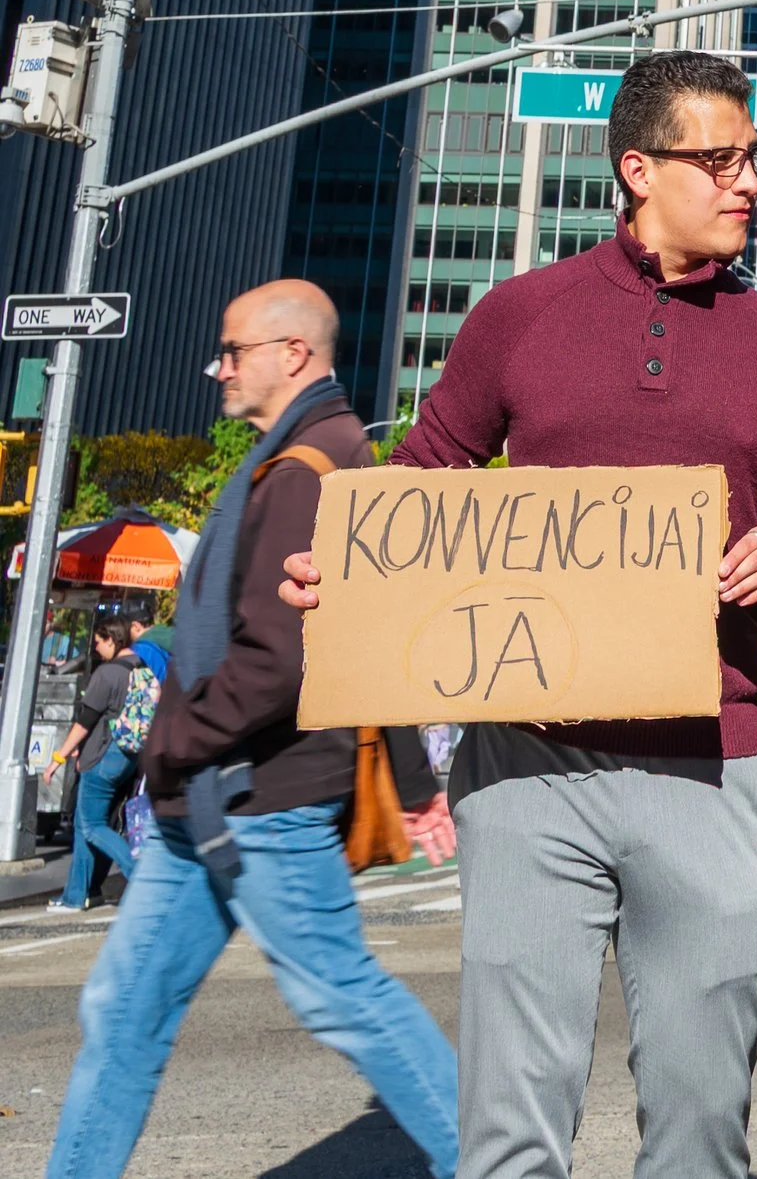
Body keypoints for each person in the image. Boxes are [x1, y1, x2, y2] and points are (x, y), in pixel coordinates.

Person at [284, 52, 757, 1179]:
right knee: (510, 1126)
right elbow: (429, 471)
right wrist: (348, 568)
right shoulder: (520, 315)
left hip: (710, 761)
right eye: (719, 158)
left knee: (701, 1118)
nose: (748, 181)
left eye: (753, 157)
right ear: (638, 168)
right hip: (524, 762)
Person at [46, 281, 457, 1179]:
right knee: (124, 1008)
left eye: (234, 351)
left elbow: (286, 656)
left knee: (344, 997)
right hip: (215, 800)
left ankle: (498, 1162)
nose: (220, 368)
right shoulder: (304, 455)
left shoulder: (313, 465)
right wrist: (418, 788)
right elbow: (363, 643)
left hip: (261, 796)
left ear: (293, 354)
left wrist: (174, 742)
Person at [42, 617, 139, 913]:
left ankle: (139, 876)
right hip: (128, 757)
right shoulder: (141, 669)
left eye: (98, 641)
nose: (95, 648)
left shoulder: (108, 673)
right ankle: (84, 892)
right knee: (91, 824)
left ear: (112, 639)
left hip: (100, 756)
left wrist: (57, 759)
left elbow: (85, 722)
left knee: (92, 826)